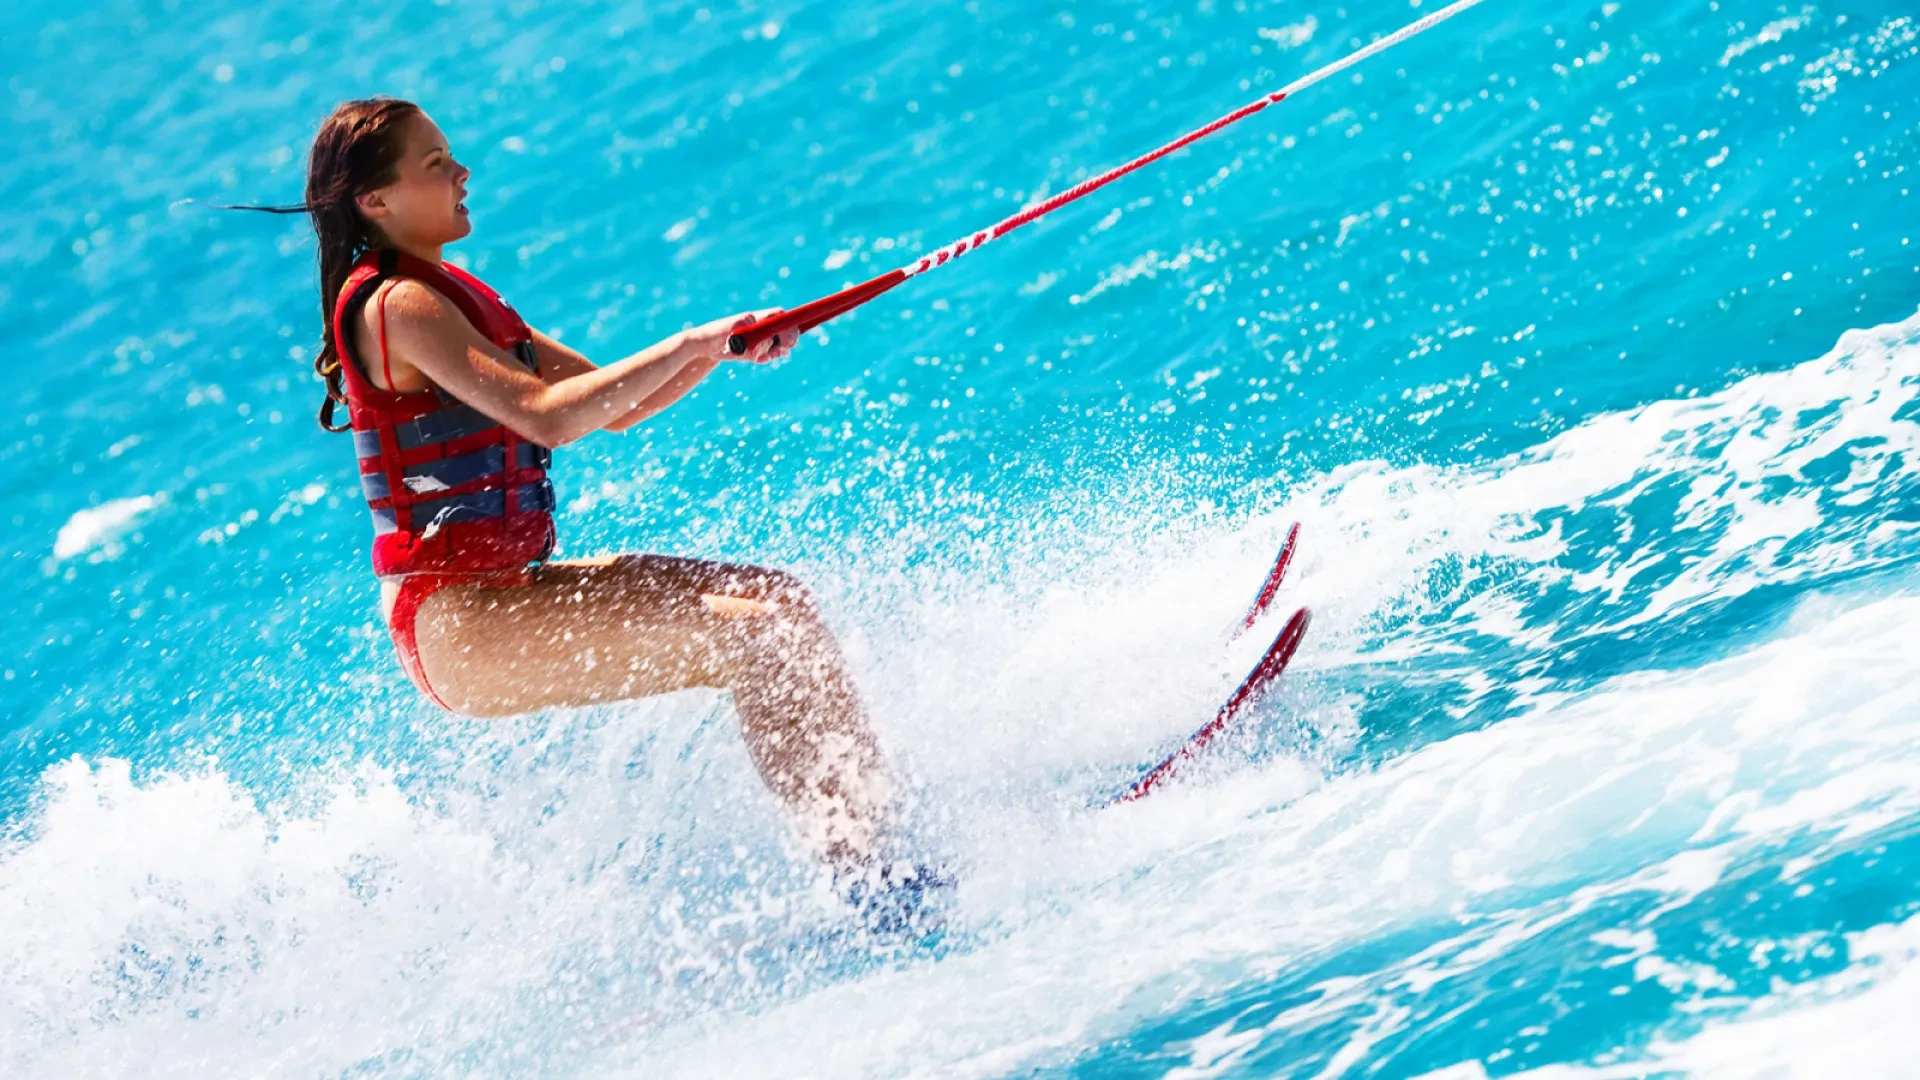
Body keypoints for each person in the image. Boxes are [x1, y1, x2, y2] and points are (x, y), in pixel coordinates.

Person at [230, 97, 940, 923]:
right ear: (374, 202)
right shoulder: (395, 305)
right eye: (435, 164)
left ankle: (886, 851)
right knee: (756, 636)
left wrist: (728, 343)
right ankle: (874, 889)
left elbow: (616, 405)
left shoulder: (447, 291)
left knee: (777, 601)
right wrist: (692, 343)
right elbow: (548, 416)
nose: (461, 173)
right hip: (458, 624)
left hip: (504, 593)